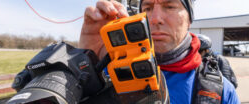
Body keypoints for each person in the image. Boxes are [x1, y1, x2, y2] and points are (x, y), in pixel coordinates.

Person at [79, 0, 240, 103]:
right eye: (147, 7)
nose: (155, 18)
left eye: (169, 6)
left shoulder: (221, 92)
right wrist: (86, 63)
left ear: (189, 19)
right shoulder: (109, 72)